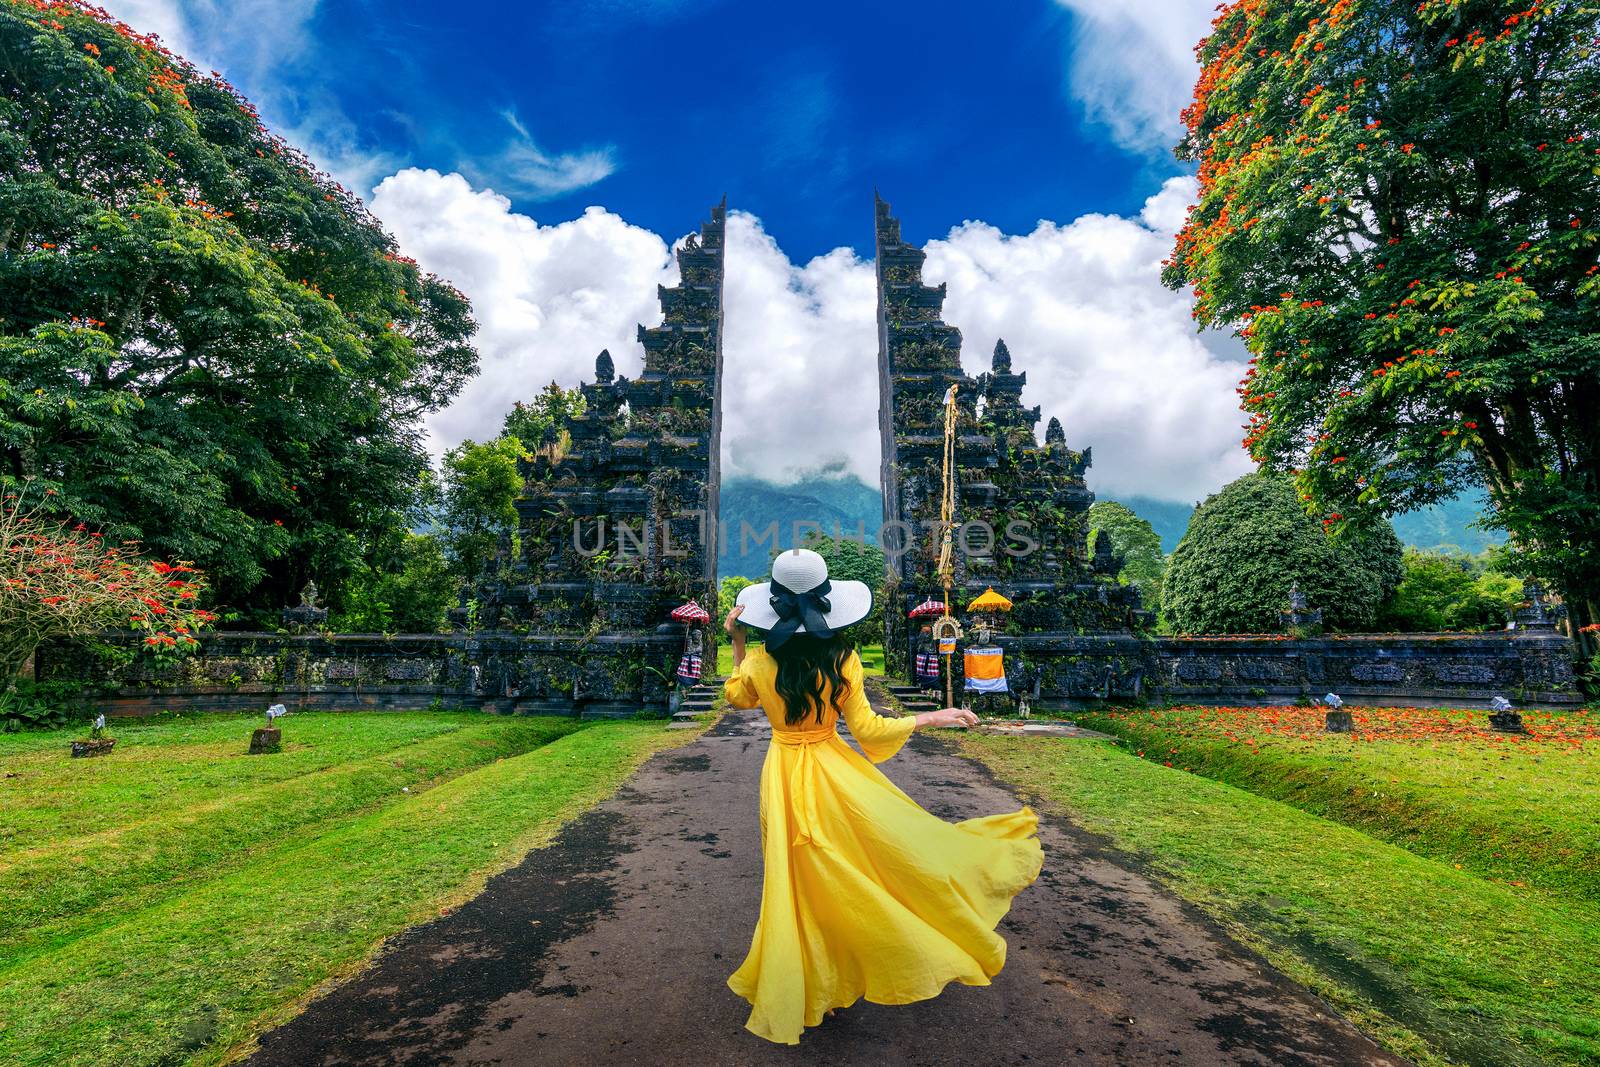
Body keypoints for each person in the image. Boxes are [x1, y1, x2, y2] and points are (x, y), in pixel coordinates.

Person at [721, 548, 1044, 1045]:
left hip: (783, 773)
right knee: (854, 867)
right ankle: (842, 969)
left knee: (793, 877)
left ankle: (813, 981)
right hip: (833, 773)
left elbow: (738, 696)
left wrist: (738, 641)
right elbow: (869, 732)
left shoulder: (762, 661)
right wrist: (931, 716)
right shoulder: (844, 658)